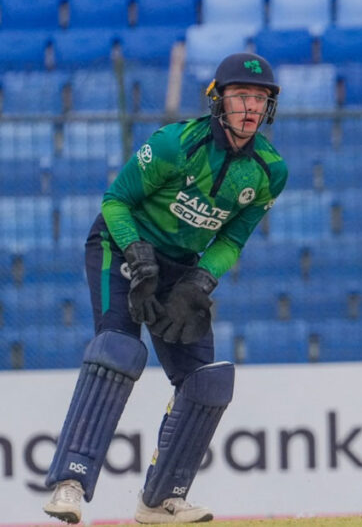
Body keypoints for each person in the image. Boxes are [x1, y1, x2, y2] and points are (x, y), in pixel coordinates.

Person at [42, 52, 288, 524]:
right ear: (218, 100)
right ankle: (69, 482)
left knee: (207, 381)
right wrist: (137, 254)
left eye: (260, 99)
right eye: (241, 96)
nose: (251, 108)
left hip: (181, 265)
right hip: (120, 245)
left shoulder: (269, 171)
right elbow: (116, 200)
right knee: (118, 349)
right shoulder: (176, 144)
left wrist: (200, 280)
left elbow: (232, 239)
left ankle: (159, 501)